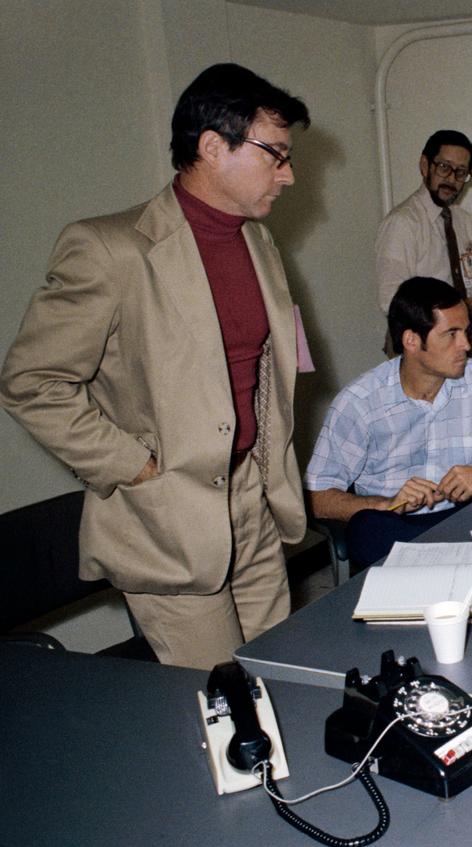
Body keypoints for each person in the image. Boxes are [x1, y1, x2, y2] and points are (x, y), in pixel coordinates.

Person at [0, 64, 311, 669]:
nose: (289, 174)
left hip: (253, 499)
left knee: (281, 675)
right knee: (220, 705)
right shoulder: (109, 248)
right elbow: (32, 382)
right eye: (275, 155)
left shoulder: (258, 241)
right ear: (213, 146)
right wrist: (133, 465)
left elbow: (267, 365)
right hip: (169, 510)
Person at [307, 277, 472, 570]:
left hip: (465, 518)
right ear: (411, 341)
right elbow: (319, 498)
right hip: (393, 530)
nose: (466, 344)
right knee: (369, 528)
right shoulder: (359, 402)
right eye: (451, 334)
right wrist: (388, 504)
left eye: (466, 331)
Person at [373, 129, 472, 328]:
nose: (451, 179)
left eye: (460, 172)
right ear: (425, 165)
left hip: (459, 341)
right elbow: (391, 301)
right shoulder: (402, 223)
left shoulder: (464, 221)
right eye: (444, 167)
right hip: (419, 345)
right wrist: (463, 311)